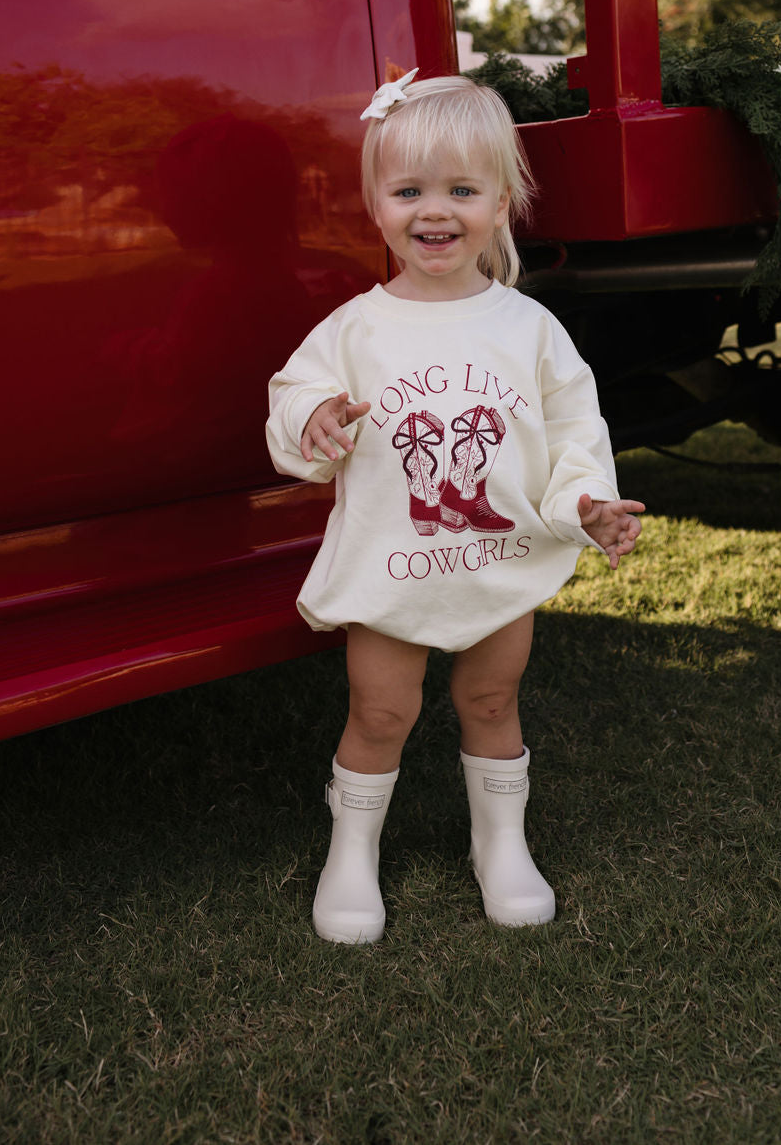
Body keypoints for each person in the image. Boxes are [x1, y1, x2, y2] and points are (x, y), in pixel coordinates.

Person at [266, 71, 644, 943]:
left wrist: (585, 503)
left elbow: (569, 428)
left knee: (492, 695)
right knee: (382, 709)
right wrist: (314, 418)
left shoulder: (529, 329)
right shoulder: (355, 329)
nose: (434, 213)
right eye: (409, 191)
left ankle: (500, 843)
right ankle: (351, 851)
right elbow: (296, 394)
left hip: (496, 560)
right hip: (396, 564)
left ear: (502, 200)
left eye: (461, 190)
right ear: (376, 202)